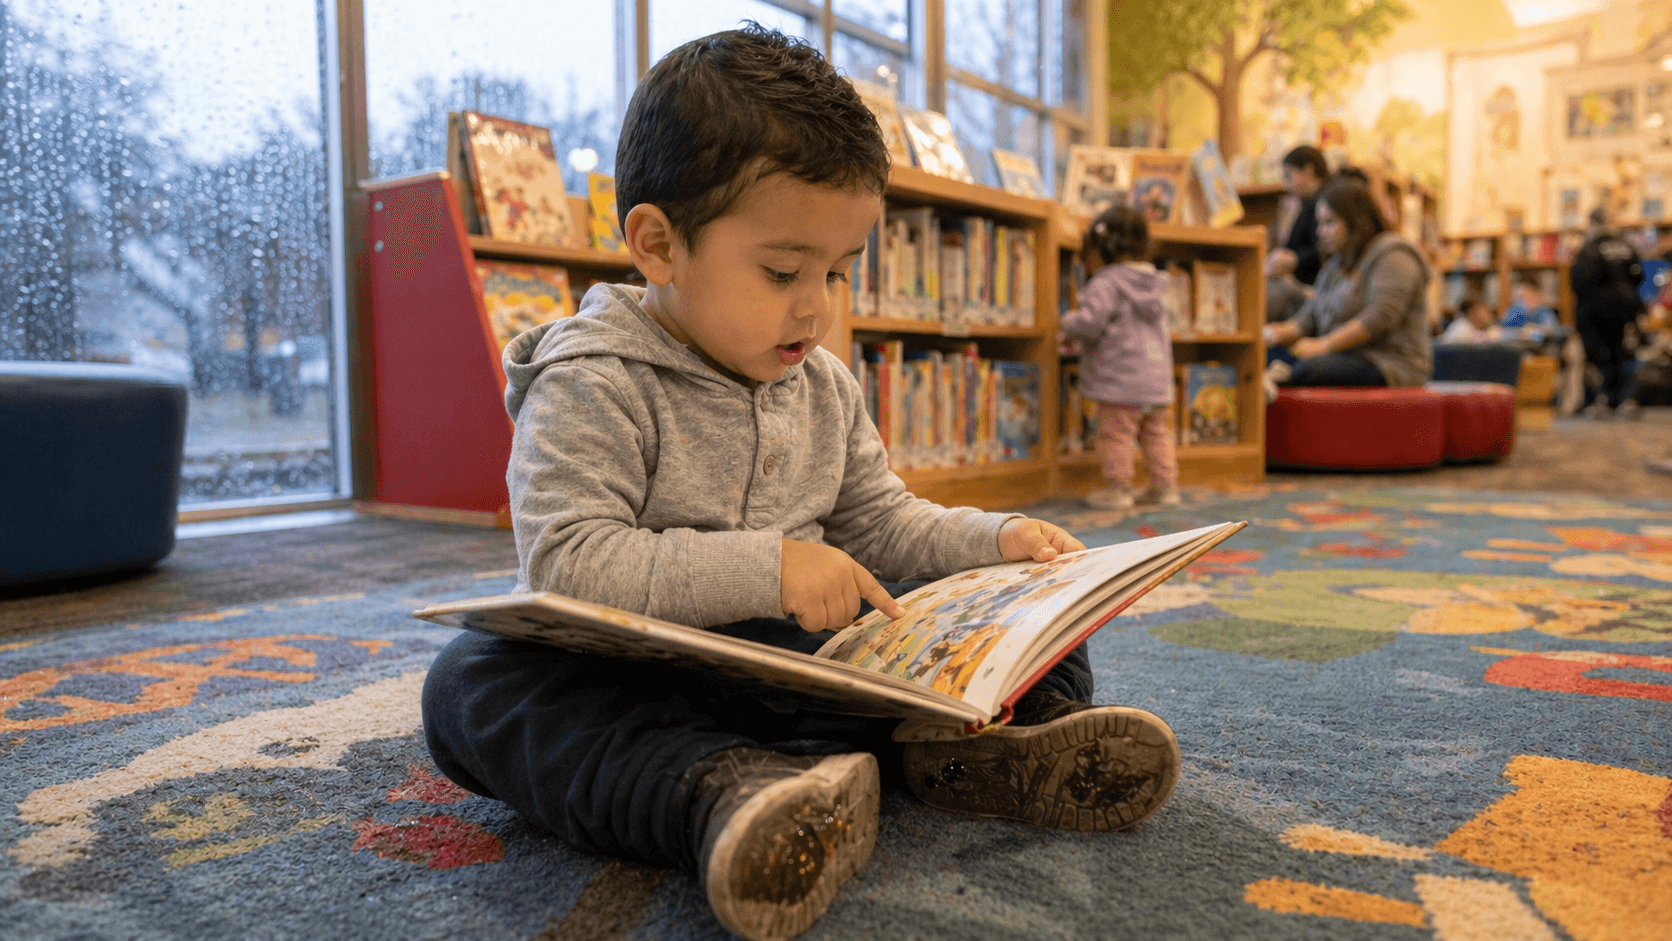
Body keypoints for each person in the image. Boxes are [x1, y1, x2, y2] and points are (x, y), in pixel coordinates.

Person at [419, 25, 1182, 941]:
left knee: (1020, 601)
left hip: (812, 666)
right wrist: (769, 566)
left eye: (837, 271)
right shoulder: (591, 378)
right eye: (783, 270)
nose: (816, 304)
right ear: (659, 245)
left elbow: (884, 521)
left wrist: (995, 542)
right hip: (648, 684)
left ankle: (1001, 749)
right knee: (473, 686)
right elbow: (566, 564)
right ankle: (726, 793)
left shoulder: (821, 381)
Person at [1060, 205, 1179, 511]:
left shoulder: (1107, 282)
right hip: (1155, 379)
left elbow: (1091, 322)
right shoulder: (1154, 281)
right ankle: (1164, 487)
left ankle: (1118, 488)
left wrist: (1067, 321)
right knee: (1155, 433)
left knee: (1116, 435)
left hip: (1121, 379)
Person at [1263, 180, 1434, 389]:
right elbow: (1308, 319)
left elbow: (1379, 317)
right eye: (1319, 223)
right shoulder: (1336, 264)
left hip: (1391, 365)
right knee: (1270, 358)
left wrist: (1324, 345)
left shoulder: (1393, 252)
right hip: (1344, 358)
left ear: (1356, 221)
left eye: (1329, 222)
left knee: (1311, 369)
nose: (1320, 231)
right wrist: (1269, 335)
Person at [1570, 206, 1645, 417]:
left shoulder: (1589, 249)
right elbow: (1639, 278)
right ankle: (1624, 401)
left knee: (1597, 358)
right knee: (1623, 356)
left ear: (1593, 224)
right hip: (1625, 313)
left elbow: (1578, 284)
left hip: (1595, 315)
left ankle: (1597, 402)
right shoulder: (1628, 247)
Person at [1438, 293, 1502, 344]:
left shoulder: (1489, 329)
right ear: (1472, 313)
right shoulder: (1461, 328)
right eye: (1485, 311)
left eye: (1489, 311)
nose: (1489, 315)